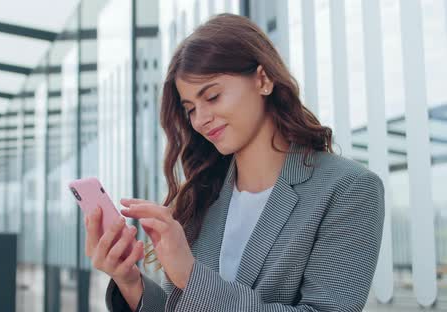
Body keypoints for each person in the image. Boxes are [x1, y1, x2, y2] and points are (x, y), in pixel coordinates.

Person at [84, 13, 384, 311]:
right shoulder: (202, 196)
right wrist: (130, 282)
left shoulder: (349, 189)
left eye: (212, 96)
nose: (200, 120)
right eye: (190, 109)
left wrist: (191, 276)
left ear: (263, 80)